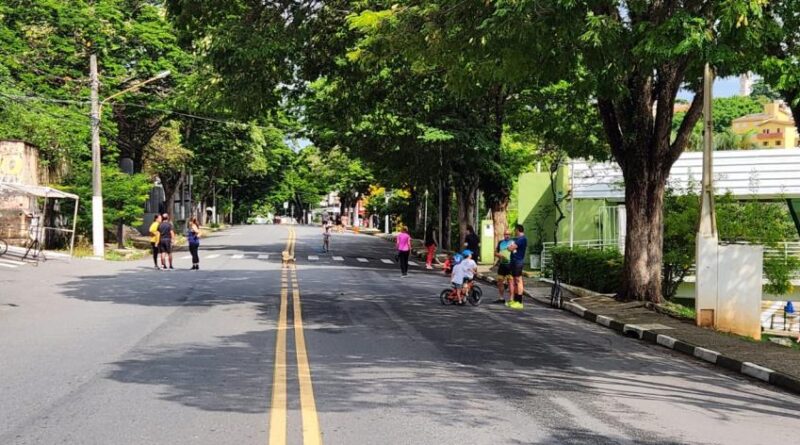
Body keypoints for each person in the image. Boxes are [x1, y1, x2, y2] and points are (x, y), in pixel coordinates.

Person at [508, 224, 528, 309]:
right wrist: (510, 247)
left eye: (515, 230)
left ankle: (519, 302)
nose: (514, 232)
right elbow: (510, 247)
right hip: (514, 261)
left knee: (518, 280)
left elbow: (511, 248)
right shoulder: (518, 239)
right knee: (515, 281)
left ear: (518, 230)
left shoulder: (522, 239)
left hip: (518, 262)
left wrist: (510, 247)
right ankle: (515, 300)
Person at [494, 230, 513, 304]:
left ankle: (511, 299)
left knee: (510, 282)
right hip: (502, 265)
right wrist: (499, 255)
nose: (507, 235)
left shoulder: (512, 243)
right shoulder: (500, 243)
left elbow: (516, 253)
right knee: (500, 281)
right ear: (504, 235)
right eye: (506, 234)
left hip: (510, 265)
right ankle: (501, 298)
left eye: (508, 234)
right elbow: (495, 252)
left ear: (510, 235)